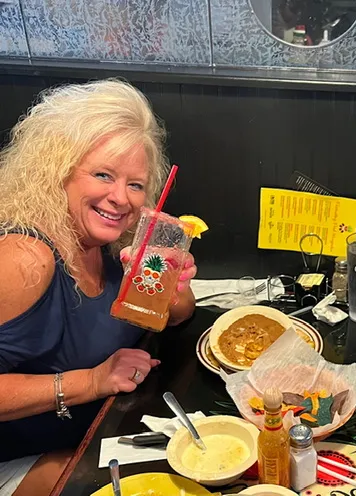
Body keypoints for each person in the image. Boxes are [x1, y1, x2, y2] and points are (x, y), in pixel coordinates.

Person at [0, 79, 197, 496]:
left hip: (100, 429)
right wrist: (92, 381)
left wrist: (172, 285)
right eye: (103, 174)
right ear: (59, 172)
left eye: (135, 184)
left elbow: (178, 317)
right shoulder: (24, 257)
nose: (120, 198)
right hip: (24, 456)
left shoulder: (120, 240)